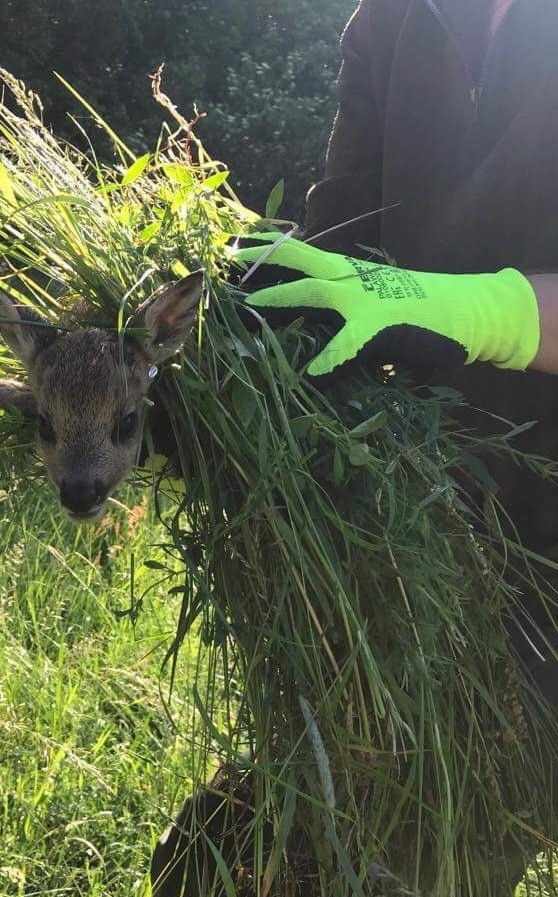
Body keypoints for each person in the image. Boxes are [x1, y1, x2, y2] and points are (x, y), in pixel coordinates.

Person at [156, 0, 558, 893]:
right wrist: (211, 354)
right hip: (431, 511)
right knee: (222, 855)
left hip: (549, 531)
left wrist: (456, 309)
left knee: (453, 842)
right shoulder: (392, 23)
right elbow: (344, 240)